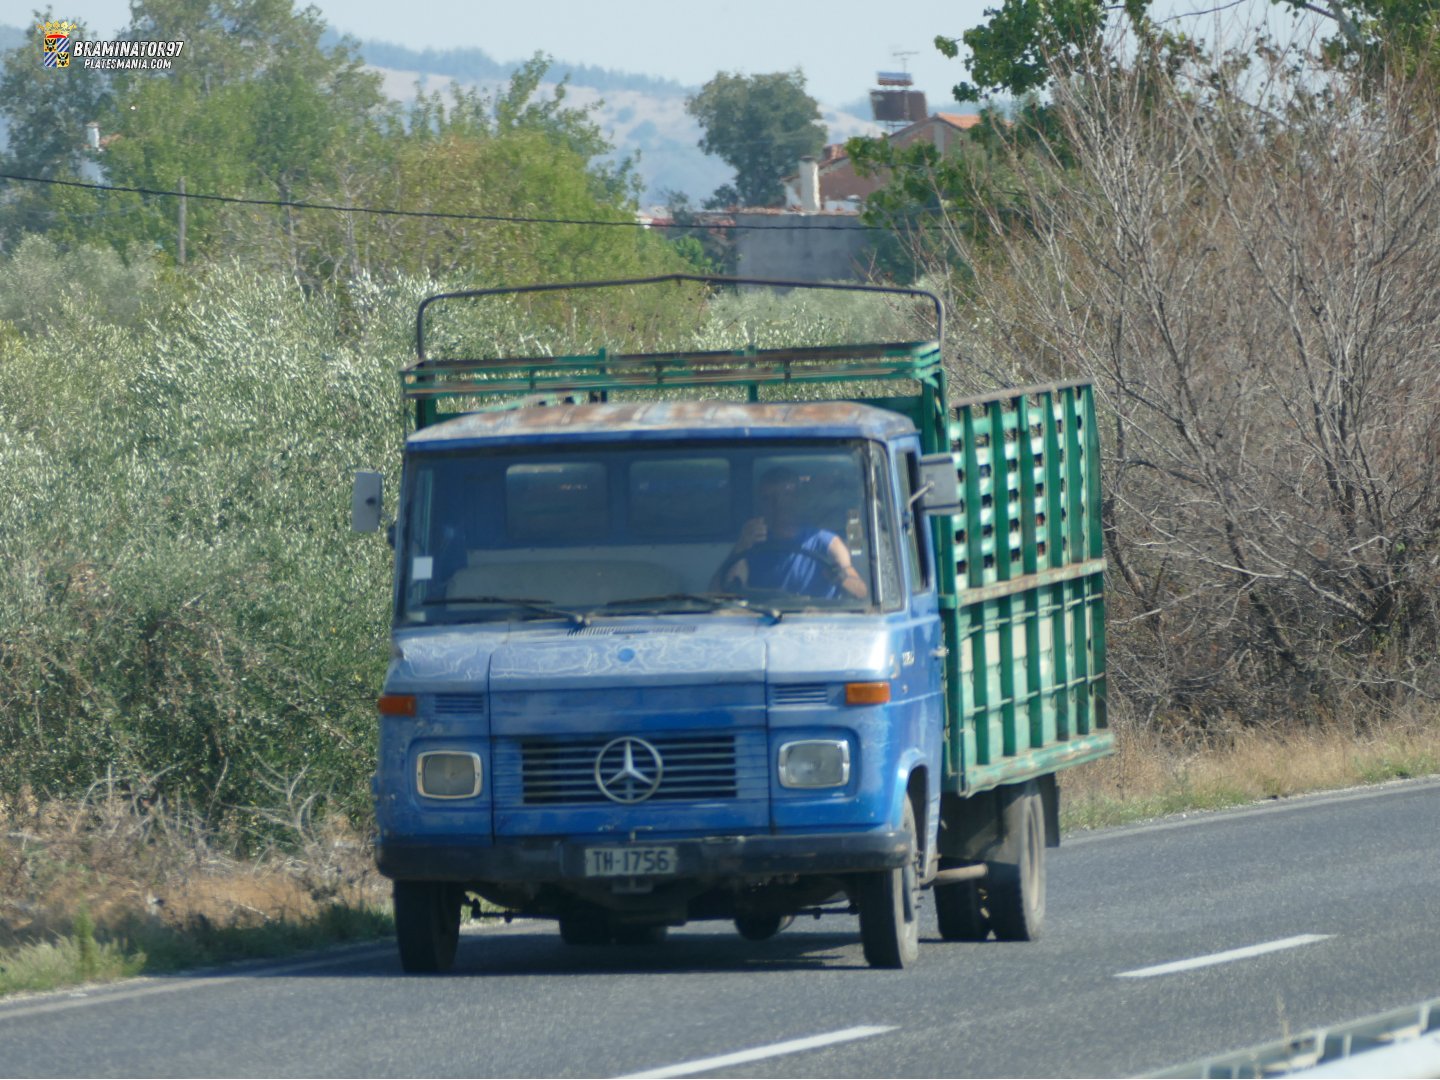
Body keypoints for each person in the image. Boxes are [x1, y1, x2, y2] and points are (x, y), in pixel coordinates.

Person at [714, 466, 868, 600]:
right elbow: (717, 594)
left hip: (819, 620)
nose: (778, 504)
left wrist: (840, 577)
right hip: (762, 620)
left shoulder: (827, 543)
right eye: (768, 498)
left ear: (799, 500)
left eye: (787, 495)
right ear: (760, 504)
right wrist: (741, 546)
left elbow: (861, 593)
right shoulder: (751, 544)